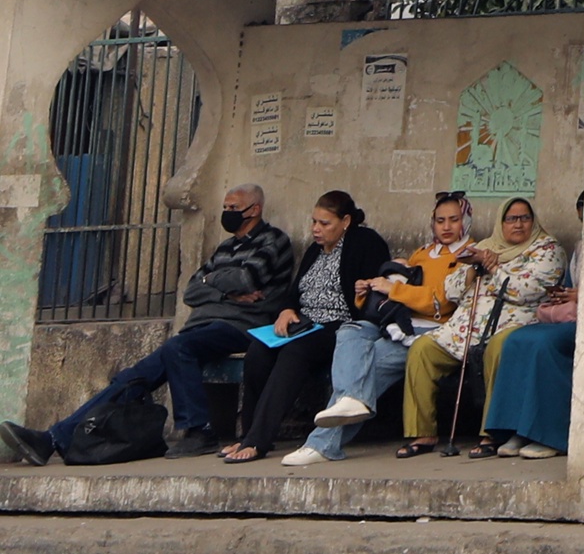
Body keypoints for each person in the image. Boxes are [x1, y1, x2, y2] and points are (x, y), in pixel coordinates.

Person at [2, 184, 295, 464]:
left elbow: (247, 279)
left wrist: (214, 284)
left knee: (178, 347)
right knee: (132, 378)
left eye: (235, 207)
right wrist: (220, 286)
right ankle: (53, 439)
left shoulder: (273, 241)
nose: (228, 212)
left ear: (254, 209)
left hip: (244, 326)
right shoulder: (224, 249)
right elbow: (191, 290)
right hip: (204, 327)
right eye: (225, 206)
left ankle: (199, 429)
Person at [289, 192, 475, 466]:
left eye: (454, 220)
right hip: (398, 325)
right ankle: (350, 403)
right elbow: (398, 295)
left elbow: (444, 304)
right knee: (351, 331)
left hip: (432, 333)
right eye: (439, 220)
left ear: (466, 221)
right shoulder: (422, 253)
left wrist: (395, 290)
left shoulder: (470, 256)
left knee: (367, 366)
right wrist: (367, 291)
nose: (446, 227)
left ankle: (322, 444)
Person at [221, 191, 392, 463]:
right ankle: (248, 433)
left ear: (346, 221)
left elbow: (373, 296)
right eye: (314, 222)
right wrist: (287, 310)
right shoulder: (315, 250)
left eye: (325, 224)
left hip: (340, 327)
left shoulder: (365, 243)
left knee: (295, 352)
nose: (316, 229)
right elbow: (295, 291)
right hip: (305, 324)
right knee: (258, 351)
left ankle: (258, 441)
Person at [398, 196, 565, 458]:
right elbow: (450, 291)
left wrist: (494, 267)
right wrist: (473, 270)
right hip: (465, 326)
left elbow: (525, 291)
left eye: (524, 218)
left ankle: (491, 433)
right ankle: (423, 432)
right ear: (501, 222)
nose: (518, 224)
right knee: (422, 348)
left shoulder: (547, 249)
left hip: (514, 322)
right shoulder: (485, 246)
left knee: (498, 348)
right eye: (511, 219)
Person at [477, 192, 584, 461]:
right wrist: (566, 294)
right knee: (517, 340)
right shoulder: (583, 244)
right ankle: (516, 429)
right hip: (571, 316)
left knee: (543, 344)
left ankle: (549, 435)